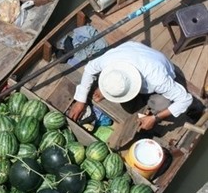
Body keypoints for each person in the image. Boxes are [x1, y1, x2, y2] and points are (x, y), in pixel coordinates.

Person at [66, 41, 195, 131]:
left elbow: (185, 100)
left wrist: (155, 118)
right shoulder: (108, 61)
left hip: (160, 67)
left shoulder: (157, 79)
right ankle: (108, 89)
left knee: (160, 104)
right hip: (131, 51)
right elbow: (89, 69)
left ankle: (148, 110)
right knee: (128, 104)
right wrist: (80, 100)